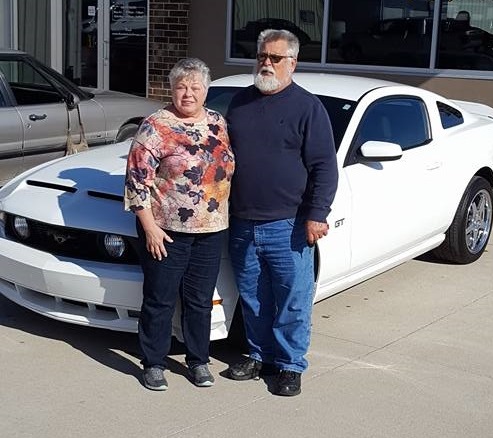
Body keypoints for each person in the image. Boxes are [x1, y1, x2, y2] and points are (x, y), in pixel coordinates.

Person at [225, 29, 338, 396]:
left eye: (275, 58)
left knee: (293, 298)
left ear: (292, 63)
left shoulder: (308, 108)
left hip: (288, 224)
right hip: (241, 221)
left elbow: (324, 167)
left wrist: (317, 214)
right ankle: (260, 355)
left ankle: (290, 365)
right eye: (261, 56)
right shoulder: (239, 104)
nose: (266, 64)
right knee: (255, 297)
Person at [124, 58, 234, 391]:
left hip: (211, 229)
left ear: (206, 90)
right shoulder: (156, 126)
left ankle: (198, 361)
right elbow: (135, 180)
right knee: (160, 298)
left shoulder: (217, 121)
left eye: (195, 87)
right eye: (181, 86)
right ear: (172, 89)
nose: (188, 93)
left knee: (200, 300)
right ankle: (153, 363)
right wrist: (149, 227)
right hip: (166, 231)